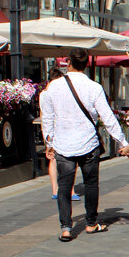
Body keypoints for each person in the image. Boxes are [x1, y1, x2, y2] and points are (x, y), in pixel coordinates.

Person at [40, 47, 129, 241]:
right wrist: (123, 142)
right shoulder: (94, 87)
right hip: (88, 143)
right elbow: (107, 118)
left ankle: (66, 227)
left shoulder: (53, 87)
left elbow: (47, 117)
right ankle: (91, 223)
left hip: (63, 144)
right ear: (86, 65)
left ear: (68, 63)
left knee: (64, 185)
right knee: (91, 184)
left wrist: (49, 141)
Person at [40, 68, 81, 202]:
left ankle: (55, 189)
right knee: (70, 158)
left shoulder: (44, 94)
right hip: (62, 129)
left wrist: (46, 137)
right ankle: (71, 189)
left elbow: (43, 116)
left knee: (53, 159)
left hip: (51, 130)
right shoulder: (57, 92)